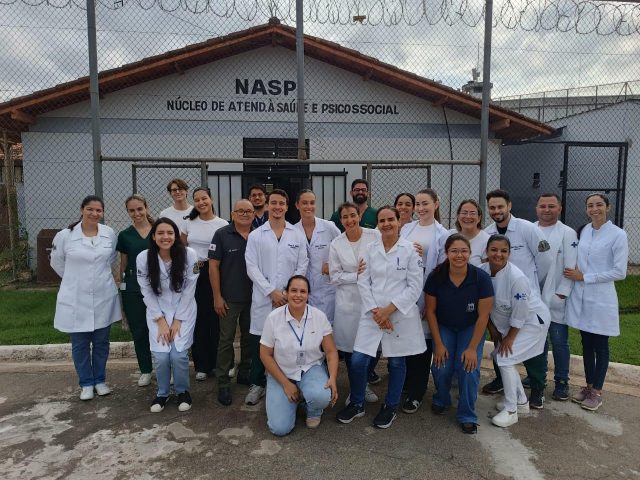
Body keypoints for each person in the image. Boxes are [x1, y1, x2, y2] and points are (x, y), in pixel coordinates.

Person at [336, 206, 426, 429]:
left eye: (390, 220)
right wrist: (377, 312)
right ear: (377, 224)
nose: (386, 224)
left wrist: (388, 311)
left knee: (396, 362)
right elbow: (363, 281)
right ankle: (357, 403)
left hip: (399, 315)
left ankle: (390, 406)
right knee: (358, 361)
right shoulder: (370, 250)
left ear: (398, 222)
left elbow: (415, 287)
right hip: (372, 314)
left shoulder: (410, 250)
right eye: (382, 220)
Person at [483, 189, 553, 404]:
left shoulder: (527, 229)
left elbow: (545, 261)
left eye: (500, 206)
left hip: (526, 299)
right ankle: (502, 380)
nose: (496, 211)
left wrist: (530, 283)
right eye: (492, 207)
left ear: (509, 206)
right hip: (501, 302)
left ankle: (537, 387)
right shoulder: (487, 233)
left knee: (534, 349)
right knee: (500, 344)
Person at [50, 195, 120, 401]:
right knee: (80, 344)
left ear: (102, 213)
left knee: (101, 342)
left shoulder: (109, 233)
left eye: (98, 210)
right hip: (75, 298)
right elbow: (57, 262)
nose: (94, 213)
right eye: (90, 209)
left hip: (103, 296)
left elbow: (111, 258)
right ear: (82, 210)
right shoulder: (65, 235)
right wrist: (75, 280)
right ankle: (86, 383)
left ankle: (100, 380)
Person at [564, 193, 628, 412]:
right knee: (586, 344)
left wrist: (585, 277)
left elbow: (619, 272)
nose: (594, 209)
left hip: (601, 298)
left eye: (599, 205)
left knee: (600, 346)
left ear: (607, 207)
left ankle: (597, 392)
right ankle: (588, 386)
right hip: (582, 298)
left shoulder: (618, 234)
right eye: (590, 205)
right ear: (586, 209)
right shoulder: (584, 231)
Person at [245, 189, 309, 405]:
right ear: (267, 205)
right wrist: (271, 291)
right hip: (264, 298)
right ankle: (257, 383)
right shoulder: (256, 235)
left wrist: (287, 293)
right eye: (273, 203)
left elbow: (302, 264)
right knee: (260, 341)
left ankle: (288, 380)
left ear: (287, 206)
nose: (277, 207)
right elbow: (251, 267)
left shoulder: (296, 235)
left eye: (282, 203)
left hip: (290, 299)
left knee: (288, 340)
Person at [424, 234, 493, 434]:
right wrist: (438, 344)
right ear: (447, 253)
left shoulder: (481, 278)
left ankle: (467, 414)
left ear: (470, 253)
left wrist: (472, 348)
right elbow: (430, 311)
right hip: (444, 325)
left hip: (470, 327)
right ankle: (442, 398)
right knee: (441, 366)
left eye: (463, 251)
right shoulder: (436, 277)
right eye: (454, 251)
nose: (459, 255)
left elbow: (484, 315)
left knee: (468, 368)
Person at [481, 235, 550, 428]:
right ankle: (521, 402)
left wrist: (510, 338)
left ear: (509, 254)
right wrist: (493, 330)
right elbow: (483, 305)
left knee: (504, 357)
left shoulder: (516, 278)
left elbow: (521, 313)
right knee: (500, 357)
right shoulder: (481, 271)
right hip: (509, 323)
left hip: (532, 322)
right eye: (494, 250)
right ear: (486, 252)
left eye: (504, 251)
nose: (498, 254)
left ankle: (511, 411)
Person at [260, 275, 339, 435]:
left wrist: (332, 378)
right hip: (282, 371)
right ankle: (290, 398)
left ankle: (313, 409)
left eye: (303, 291)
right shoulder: (273, 318)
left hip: (310, 368)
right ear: (286, 293)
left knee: (321, 396)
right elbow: (265, 354)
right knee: (279, 428)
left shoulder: (319, 316)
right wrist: (285, 384)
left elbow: (331, 352)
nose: (298, 295)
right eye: (294, 290)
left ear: (308, 295)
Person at [136, 218, 199, 412]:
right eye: (161, 233)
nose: (166, 237)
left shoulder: (189, 255)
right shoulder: (144, 258)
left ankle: (182, 392)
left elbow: (189, 289)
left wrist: (178, 319)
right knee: (162, 356)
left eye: (170, 233)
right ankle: (162, 393)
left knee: (178, 355)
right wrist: (160, 320)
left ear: (176, 236)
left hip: (184, 311)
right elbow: (146, 291)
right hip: (158, 312)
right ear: (153, 237)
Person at [399, 189, 450, 414]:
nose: (420, 208)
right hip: (405, 294)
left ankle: (417, 392)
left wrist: (427, 303)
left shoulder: (442, 234)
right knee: (406, 342)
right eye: (417, 204)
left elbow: (441, 270)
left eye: (425, 204)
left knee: (422, 346)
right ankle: (405, 384)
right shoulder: (407, 228)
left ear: (436, 204)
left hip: (425, 295)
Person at [328, 202, 381, 404]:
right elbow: (334, 276)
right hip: (348, 303)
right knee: (350, 349)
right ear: (341, 221)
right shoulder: (336, 243)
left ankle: (363, 382)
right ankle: (358, 387)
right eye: (345, 217)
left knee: (374, 346)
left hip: (373, 300)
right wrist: (356, 276)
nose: (349, 220)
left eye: (353, 215)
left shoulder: (374, 236)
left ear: (359, 216)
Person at [209, 198, 254, 406]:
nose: (245, 214)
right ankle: (224, 382)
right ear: (233, 214)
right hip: (228, 299)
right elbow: (213, 267)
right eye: (240, 211)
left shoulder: (258, 234)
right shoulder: (221, 234)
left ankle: (245, 372)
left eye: (248, 211)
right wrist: (217, 296)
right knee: (226, 340)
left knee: (249, 338)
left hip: (253, 298)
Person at [181, 187, 228, 381]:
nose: (201, 202)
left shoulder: (222, 224)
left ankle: (219, 363)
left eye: (204, 198)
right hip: (195, 274)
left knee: (217, 319)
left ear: (211, 199)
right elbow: (182, 248)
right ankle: (201, 365)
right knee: (198, 318)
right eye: (197, 200)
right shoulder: (189, 223)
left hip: (216, 273)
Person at [534, 193, 578, 401]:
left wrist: (562, 293)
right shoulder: (530, 229)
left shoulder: (567, 233)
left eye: (551, 206)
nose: (546, 210)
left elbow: (571, 266)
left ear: (559, 209)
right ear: (536, 208)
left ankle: (561, 381)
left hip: (556, 296)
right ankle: (537, 376)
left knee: (559, 341)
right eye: (542, 206)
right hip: (535, 296)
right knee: (537, 340)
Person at [116, 194, 154, 387]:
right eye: (132, 210)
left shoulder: (159, 230)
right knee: (139, 329)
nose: (136, 213)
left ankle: (166, 367)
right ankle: (146, 369)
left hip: (157, 285)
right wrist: (121, 286)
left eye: (139, 209)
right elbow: (123, 264)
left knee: (160, 327)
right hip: (133, 286)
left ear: (146, 208)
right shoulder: (125, 235)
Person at [294, 189, 341, 323]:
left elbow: (342, 247)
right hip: (303, 290)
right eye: (304, 203)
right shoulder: (292, 231)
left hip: (327, 288)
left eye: (312, 203)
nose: (309, 206)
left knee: (327, 327)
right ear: (297, 205)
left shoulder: (329, 227)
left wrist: (333, 264)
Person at [454, 199, 490, 266]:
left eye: (472, 213)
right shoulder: (448, 236)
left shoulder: (487, 240)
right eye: (464, 213)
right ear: (458, 216)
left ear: (479, 218)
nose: (468, 216)